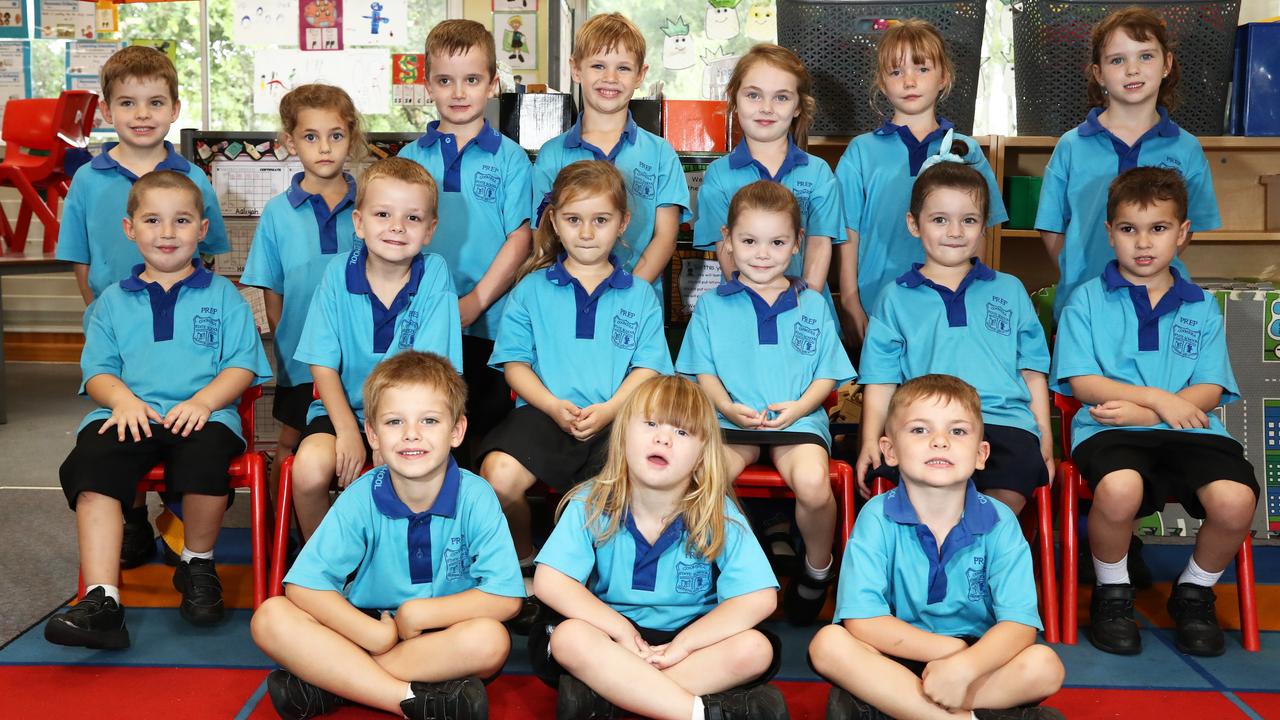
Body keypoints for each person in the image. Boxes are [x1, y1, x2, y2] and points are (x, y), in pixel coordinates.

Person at [45, 171, 271, 649]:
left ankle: (196, 563)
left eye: (181, 220)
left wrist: (205, 401)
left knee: (207, 457)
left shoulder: (224, 296)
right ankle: (101, 600)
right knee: (92, 465)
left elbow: (241, 368)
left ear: (202, 228)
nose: (167, 233)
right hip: (130, 416)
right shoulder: (109, 304)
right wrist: (123, 400)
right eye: (153, 220)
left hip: (204, 416)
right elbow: (98, 373)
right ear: (130, 229)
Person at [1050, 167, 1257, 657]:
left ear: (1182, 234)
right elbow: (1084, 383)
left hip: (1193, 431)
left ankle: (1194, 592)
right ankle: (1113, 592)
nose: (1143, 243)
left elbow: (1210, 388)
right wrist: (1161, 400)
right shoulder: (1087, 300)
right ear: (1110, 233)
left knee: (1235, 501)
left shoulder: (1201, 306)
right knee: (1120, 489)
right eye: (1129, 229)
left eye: (1159, 229)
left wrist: (1156, 411)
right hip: (1109, 426)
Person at [251, 351, 525, 719]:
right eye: (395, 422)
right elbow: (304, 586)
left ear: (457, 431)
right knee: (270, 617)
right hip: (366, 626)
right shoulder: (362, 495)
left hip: (441, 634)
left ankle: (331, 681)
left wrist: (419, 612)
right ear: (373, 434)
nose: (412, 434)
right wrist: (371, 634)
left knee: (491, 642)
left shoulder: (476, 496)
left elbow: (505, 597)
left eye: (429, 420)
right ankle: (405, 698)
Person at [54, 45, 231, 569]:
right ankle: (130, 522)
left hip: (180, 323)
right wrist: (103, 313)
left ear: (175, 109)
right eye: (127, 104)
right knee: (120, 422)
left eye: (155, 102)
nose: (142, 115)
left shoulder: (193, 179)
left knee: (181, 429)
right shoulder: (88, 179)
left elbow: (208, 255)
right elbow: (81, 260)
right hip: (117, 326)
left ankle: (175, 516)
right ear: (107, 110)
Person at [531, 374, 787, 720]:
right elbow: (550, 580)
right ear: (622, 438)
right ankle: (697, 712)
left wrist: (685, 644)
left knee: (754, 650)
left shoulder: (717, 513)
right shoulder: (589, 503)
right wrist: (620, 631)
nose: (663, 438)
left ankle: (618, 698)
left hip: (689, 638)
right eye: (650, 423)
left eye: (681, 432)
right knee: (568, 638)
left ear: (700, 457)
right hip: (610, 635)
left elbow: (758, 597)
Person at [809, 375, 1065, 720]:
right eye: (919, 430)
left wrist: (964, 665)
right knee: (828, 644)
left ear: (980, 454)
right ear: (890, 451)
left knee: (1045, 666)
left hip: (976, 658)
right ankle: (963, 716)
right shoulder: (877, 516)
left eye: (957, 431)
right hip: (895, 653)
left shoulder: (1000, 521)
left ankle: (904, 707)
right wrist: (950, 653)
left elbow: (1019, 625)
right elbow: (863, 621)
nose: (940, 442)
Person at [478, 160, 673, 598]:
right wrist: (550, 404)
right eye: (573, 220)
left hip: (617, 418)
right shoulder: (530, 288)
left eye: (600, 220)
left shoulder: (639, 295)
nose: (586, 232)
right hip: (544, 415)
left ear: (622, 223)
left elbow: (647, 369)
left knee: (611, 497)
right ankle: (524, 560)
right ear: (555, 222)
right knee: (498, 477)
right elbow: (515, 365)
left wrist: (609, 410)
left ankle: (587, 581)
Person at [677, 180, 856, 625]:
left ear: (797, 244)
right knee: (704, 481)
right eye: (749, 241)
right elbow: (704, 373)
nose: (762, 253)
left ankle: (817, 569)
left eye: (777, 242)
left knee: (814, 485)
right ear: (728, 242)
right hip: (731, 418)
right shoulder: (712, 306)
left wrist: (798, 408)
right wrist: (726, 406)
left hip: (798, 421)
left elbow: (827, 374)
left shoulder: (812, 304)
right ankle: (744, 569)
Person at [857, 160, 1053, 517]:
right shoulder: (894, 297)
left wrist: (1044, 434)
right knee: (926, 504)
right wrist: (871, 438)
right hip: (925, 426)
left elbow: (1032, 369)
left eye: (969, 220)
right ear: (914, 224)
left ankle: (981, 567)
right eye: (939, 219)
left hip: (1004, 422)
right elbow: (881, 379)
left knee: (1003, 501)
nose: (955, 231)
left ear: (984, 227)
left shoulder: (1009, 290)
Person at [289, 158, 463, 541]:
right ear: (359, 222)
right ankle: (325, 566)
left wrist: (390, 432)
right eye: (383, 214)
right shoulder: (337, 273)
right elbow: (322, 365)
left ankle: (399, 566)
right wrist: (351, 430)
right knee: (308, 469)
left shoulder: (435, 274)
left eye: (413, 218)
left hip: (412, 418)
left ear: (430, 230)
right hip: (343, 413)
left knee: (415, 473)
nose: (397, 227)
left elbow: (433, 375)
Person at [399, 19, 533, 470]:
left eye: (472, 79)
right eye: (445, 80)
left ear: (492, 84)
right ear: (428, 85)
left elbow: (521, 237)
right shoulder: (408, 159)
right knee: (428, 434)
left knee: (483, 440)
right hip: (421, 323)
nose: (459, 92)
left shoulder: (512, 158)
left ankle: (477, 535)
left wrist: (475, 301)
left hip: (489, 324)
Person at [1036, 7, 1218, 324]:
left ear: (1167, 65)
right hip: (1085, 303)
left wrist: (1147, 266)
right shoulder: (1071, 146)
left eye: (1145, 56)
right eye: (1117, 60)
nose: (1132, 69)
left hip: (1161, 303)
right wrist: (1080, 271)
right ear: (1099, 73)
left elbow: (1187, 229)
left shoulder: (1186, 148)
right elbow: (1052, 228)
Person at [834, 20, 1006, 343]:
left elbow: (979, 233)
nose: (909, 80)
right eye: (896, 72)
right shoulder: (861, 152)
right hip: (876, 305)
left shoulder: (966, 150)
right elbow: (847, 234)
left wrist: (970, 297)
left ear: (944, 77)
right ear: (882, 84)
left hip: (947, 303)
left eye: (922, 68)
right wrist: (850, 300)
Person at [241, 83, 363, 482]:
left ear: (352, 137)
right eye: (311, 137)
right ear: (290, 143)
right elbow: (271, 292)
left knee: (357, 445)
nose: (324, 147)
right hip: (301, 361)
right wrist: (288, 347)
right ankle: (288, 536)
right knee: (292, 442)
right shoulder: (277, 214)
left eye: (335, 136)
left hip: (361, 358)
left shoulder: (371, 205)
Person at [531, 12, 691, 302]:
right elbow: (542, 238)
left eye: (623, 68)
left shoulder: (660, 154)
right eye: (598, 65)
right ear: (576, 69)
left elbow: (665, 237)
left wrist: (626, 294)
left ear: (641, 75)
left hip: (637, 303)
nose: (610, 78)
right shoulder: (552, 155)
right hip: (566, 301)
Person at [693, 43, 842, 310]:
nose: (766, 108)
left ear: (798, 107)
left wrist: (805, 309)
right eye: (754, 95)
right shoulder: (718, 176)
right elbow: (727, 253)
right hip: (745, 312)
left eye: (781, 97)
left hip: (809, 315)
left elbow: (819, 247)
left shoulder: (819, 172)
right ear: (734, 98)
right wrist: (758, 309)